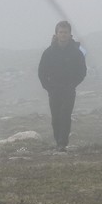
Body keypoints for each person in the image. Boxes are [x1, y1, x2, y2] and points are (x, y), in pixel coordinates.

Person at [37, 20, 87, 151]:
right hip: (54, 90)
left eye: (65, 32)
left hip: (69, 90)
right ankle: (58, 141)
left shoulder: (76, 52)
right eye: (61, 32)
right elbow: (41, 72)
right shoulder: (48, 52)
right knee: (55, 117)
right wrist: (48, 87)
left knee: (65, 115)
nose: (63, 34)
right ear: (56, 34)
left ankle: (62, 143)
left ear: (70, 34)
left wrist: (72, 84)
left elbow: (82, 71)